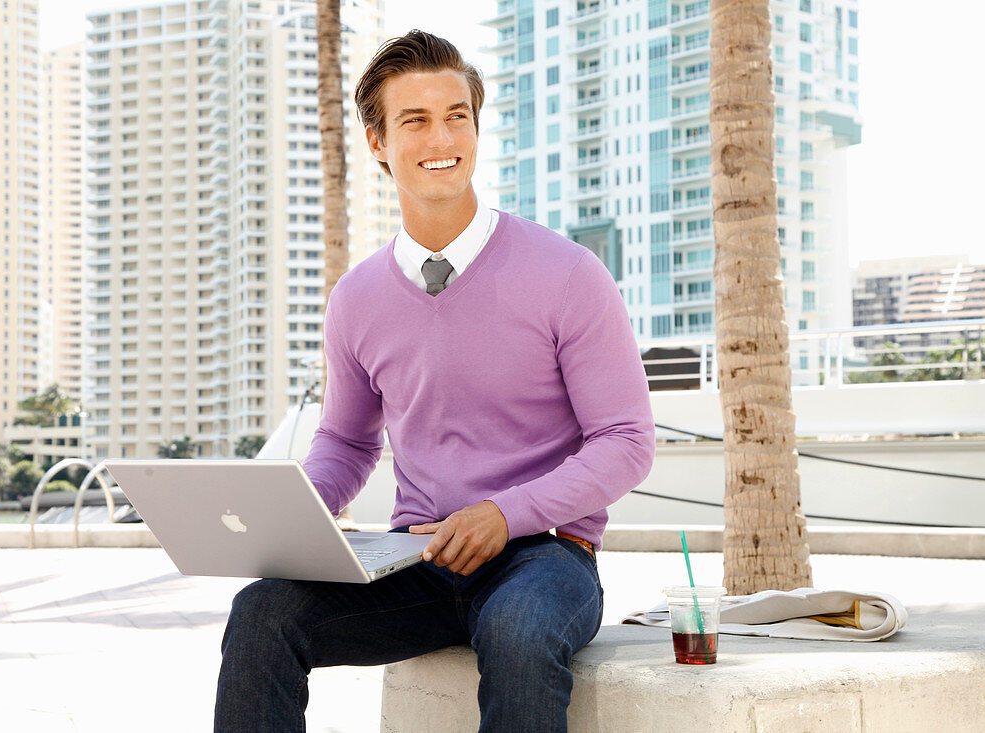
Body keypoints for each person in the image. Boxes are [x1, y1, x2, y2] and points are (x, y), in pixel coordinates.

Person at [214, 30, 655, 732]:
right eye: (415, 120)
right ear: (378, 142)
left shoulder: (568, 274)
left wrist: (505, 514)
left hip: (545, 557)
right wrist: (299, 508)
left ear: (477, 128)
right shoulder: (356, 300)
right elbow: (348, 441)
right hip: (416, 561)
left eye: (457, 116)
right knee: (262, 611)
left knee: (517, 631)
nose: (440, 136)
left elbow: (627, 440)